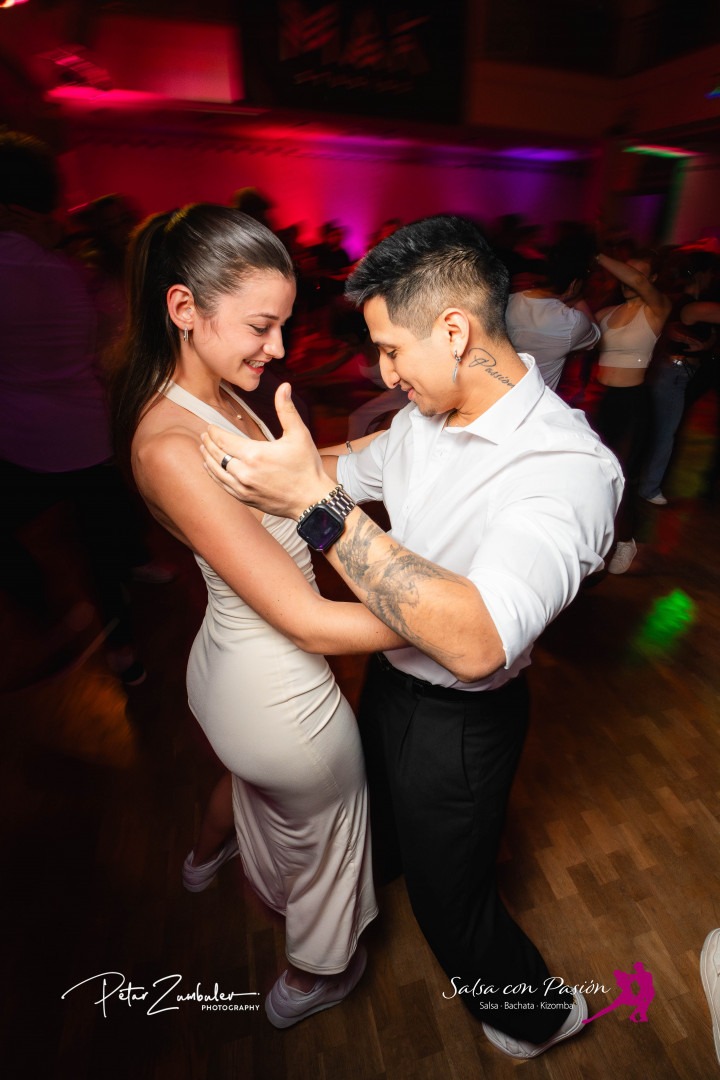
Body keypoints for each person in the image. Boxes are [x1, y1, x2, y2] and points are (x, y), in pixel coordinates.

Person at [200, 214, 624, 1060]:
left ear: (455, 330)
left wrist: (315, 509)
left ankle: (540, 1016)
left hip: (464, 721)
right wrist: (244, 466)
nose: (383, 370)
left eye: (392, 349)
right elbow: (339, 464)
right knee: (378, 816)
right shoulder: (424, 420)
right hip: (392, 681)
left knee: (450, 901)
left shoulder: (566, 470)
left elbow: (476, 641)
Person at [112, 203, 407, 1028]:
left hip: (233, 668)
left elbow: (295, 477)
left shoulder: (212, 396)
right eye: (260, 326)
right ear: (183, 308)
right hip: (280, 694)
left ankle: (202, 862)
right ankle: (310, 980)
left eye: (283, 324)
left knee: (255, 789)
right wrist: (461, 622)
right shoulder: (170, 445)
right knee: (332, 834)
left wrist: (406, 445)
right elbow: (310, 624)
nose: (278, 348)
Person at [591, 250, 671, 573]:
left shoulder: (657, 309)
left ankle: (626, 540)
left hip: (634, 403)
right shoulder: (606, 313)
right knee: (596, 475)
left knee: (622, 478)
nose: (628, 278)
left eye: (636, 273)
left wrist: (597, 253)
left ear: (652, 279)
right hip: (604, 401)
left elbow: (636, 280)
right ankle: (596, 539)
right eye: (624, 271)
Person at [639, 252, 720, 504]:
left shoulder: (693, 302)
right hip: (673, 373)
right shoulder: (691, 305)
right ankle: (649, 488)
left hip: (677, 373)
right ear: (701, 275)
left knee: (660, 429)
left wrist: (707, 343)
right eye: (712, 273)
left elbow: (708, 332)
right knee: (665, 432)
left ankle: (644, 482)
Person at [505, 239, 600, 392]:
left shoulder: (509, 300)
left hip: (498, 394)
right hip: (535, 400)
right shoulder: (571, 322)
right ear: (574, 284)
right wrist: (578, 298)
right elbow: (596, 336)